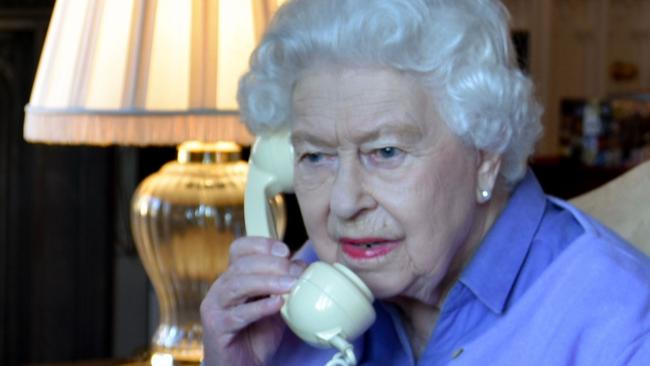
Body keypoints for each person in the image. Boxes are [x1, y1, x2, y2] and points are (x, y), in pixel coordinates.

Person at [200, 0, 650, 365]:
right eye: (316, 156)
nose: (342, 203)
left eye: (386, 152)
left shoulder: (622, 325)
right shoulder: (306, 293)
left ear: (486, 154)